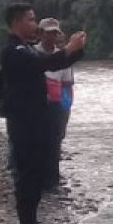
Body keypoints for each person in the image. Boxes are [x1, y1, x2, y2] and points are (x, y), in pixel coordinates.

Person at [0, 4, 87, 224]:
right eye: (30, 19)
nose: (34, 24)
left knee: (35, 172)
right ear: (16, 22)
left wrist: (75, 50)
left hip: (35, 119)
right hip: (24, 121)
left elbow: (55, 63)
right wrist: (69, 49)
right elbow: (44, 64)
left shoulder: (25, 48)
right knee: (28, 173)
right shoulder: (13, 51)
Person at [38, 18, 74, 192]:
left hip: (56, 105)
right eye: (48, 33)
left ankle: (52, 181)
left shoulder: (63, 57)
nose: (51, 36)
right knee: (36, 142)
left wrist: (67, 111)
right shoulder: (31, 53)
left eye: (55, 33)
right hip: (36, 105)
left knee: (55, 142)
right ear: (41, 33)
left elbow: (68, 86)